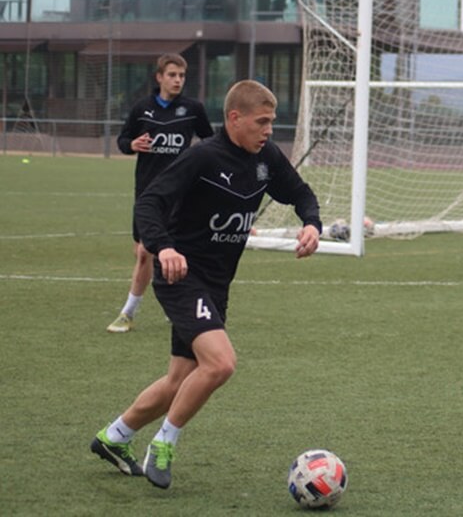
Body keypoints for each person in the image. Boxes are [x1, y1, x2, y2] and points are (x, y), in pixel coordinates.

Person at [90, 80, 322, 489]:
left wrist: (312, 223)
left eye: (272, 122)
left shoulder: (266, 157)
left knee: (181, 379)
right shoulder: (201, 158)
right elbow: (149, 203)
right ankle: (163, 444)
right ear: (235, 118)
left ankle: (115, 436)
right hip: (181, 275)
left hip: (216, 284)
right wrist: (164, 249)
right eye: (262, 121)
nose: (269, 131)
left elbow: (300, 192)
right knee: (221, 363)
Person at [107, 53, 214, 333]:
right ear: (159, 77)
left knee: (156, 251)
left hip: (182, 194)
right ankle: (153, 308)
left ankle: (129, 313)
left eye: (181, 76)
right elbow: (121, 141)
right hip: (148, 194)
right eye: (172, 75)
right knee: (144, 254)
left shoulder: (193, 109)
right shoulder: (142, 109)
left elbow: (211, 142)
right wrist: (133, 144)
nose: (177, 80)